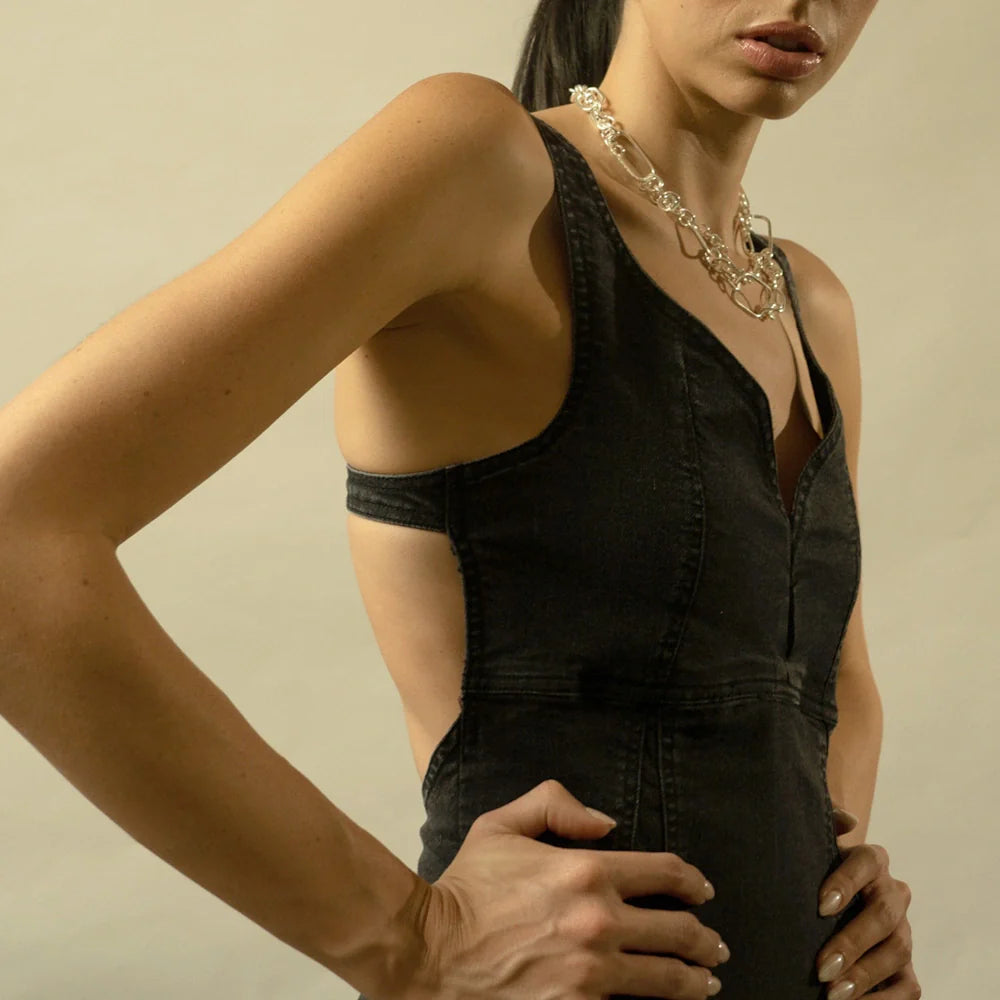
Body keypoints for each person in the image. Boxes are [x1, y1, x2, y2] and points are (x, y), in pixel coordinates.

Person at [0, 0, 919, 998]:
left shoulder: (808, 307)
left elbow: (833, 680)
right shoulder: (484, 171)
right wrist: (408, 940)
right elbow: (18, 528)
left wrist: (837, 905)